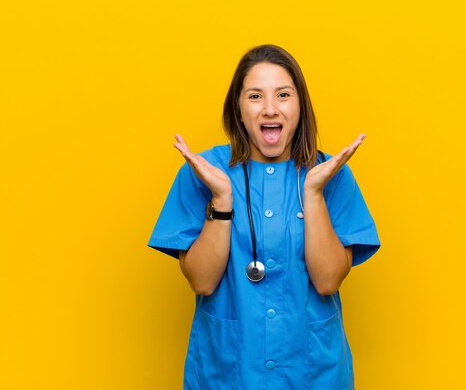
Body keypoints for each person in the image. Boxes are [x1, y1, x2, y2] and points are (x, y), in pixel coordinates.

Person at [148, 44, 380, 390]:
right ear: (238, 110)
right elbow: (202, 281)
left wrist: (313, 195)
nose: (270, 109)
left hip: (313, 373)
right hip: (228, 371)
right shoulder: (204, 172)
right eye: (255, 96)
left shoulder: (330, 174)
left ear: (300, 106)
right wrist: (222, 199)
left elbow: (328, 280)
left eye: (283, 95)